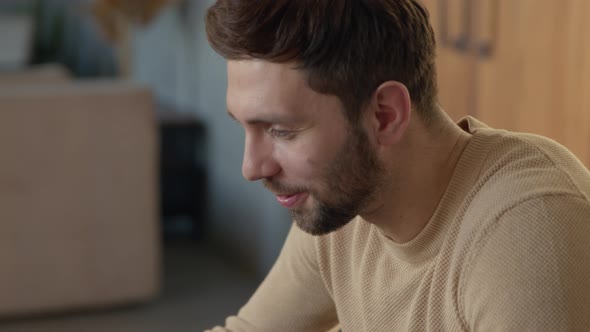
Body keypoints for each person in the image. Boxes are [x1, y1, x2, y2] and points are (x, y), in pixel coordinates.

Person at [204, 0, 590, 331]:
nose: (252, 167)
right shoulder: (344, 200)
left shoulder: (528, 229)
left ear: (384, 116)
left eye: (281, 131)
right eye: (245, 127)